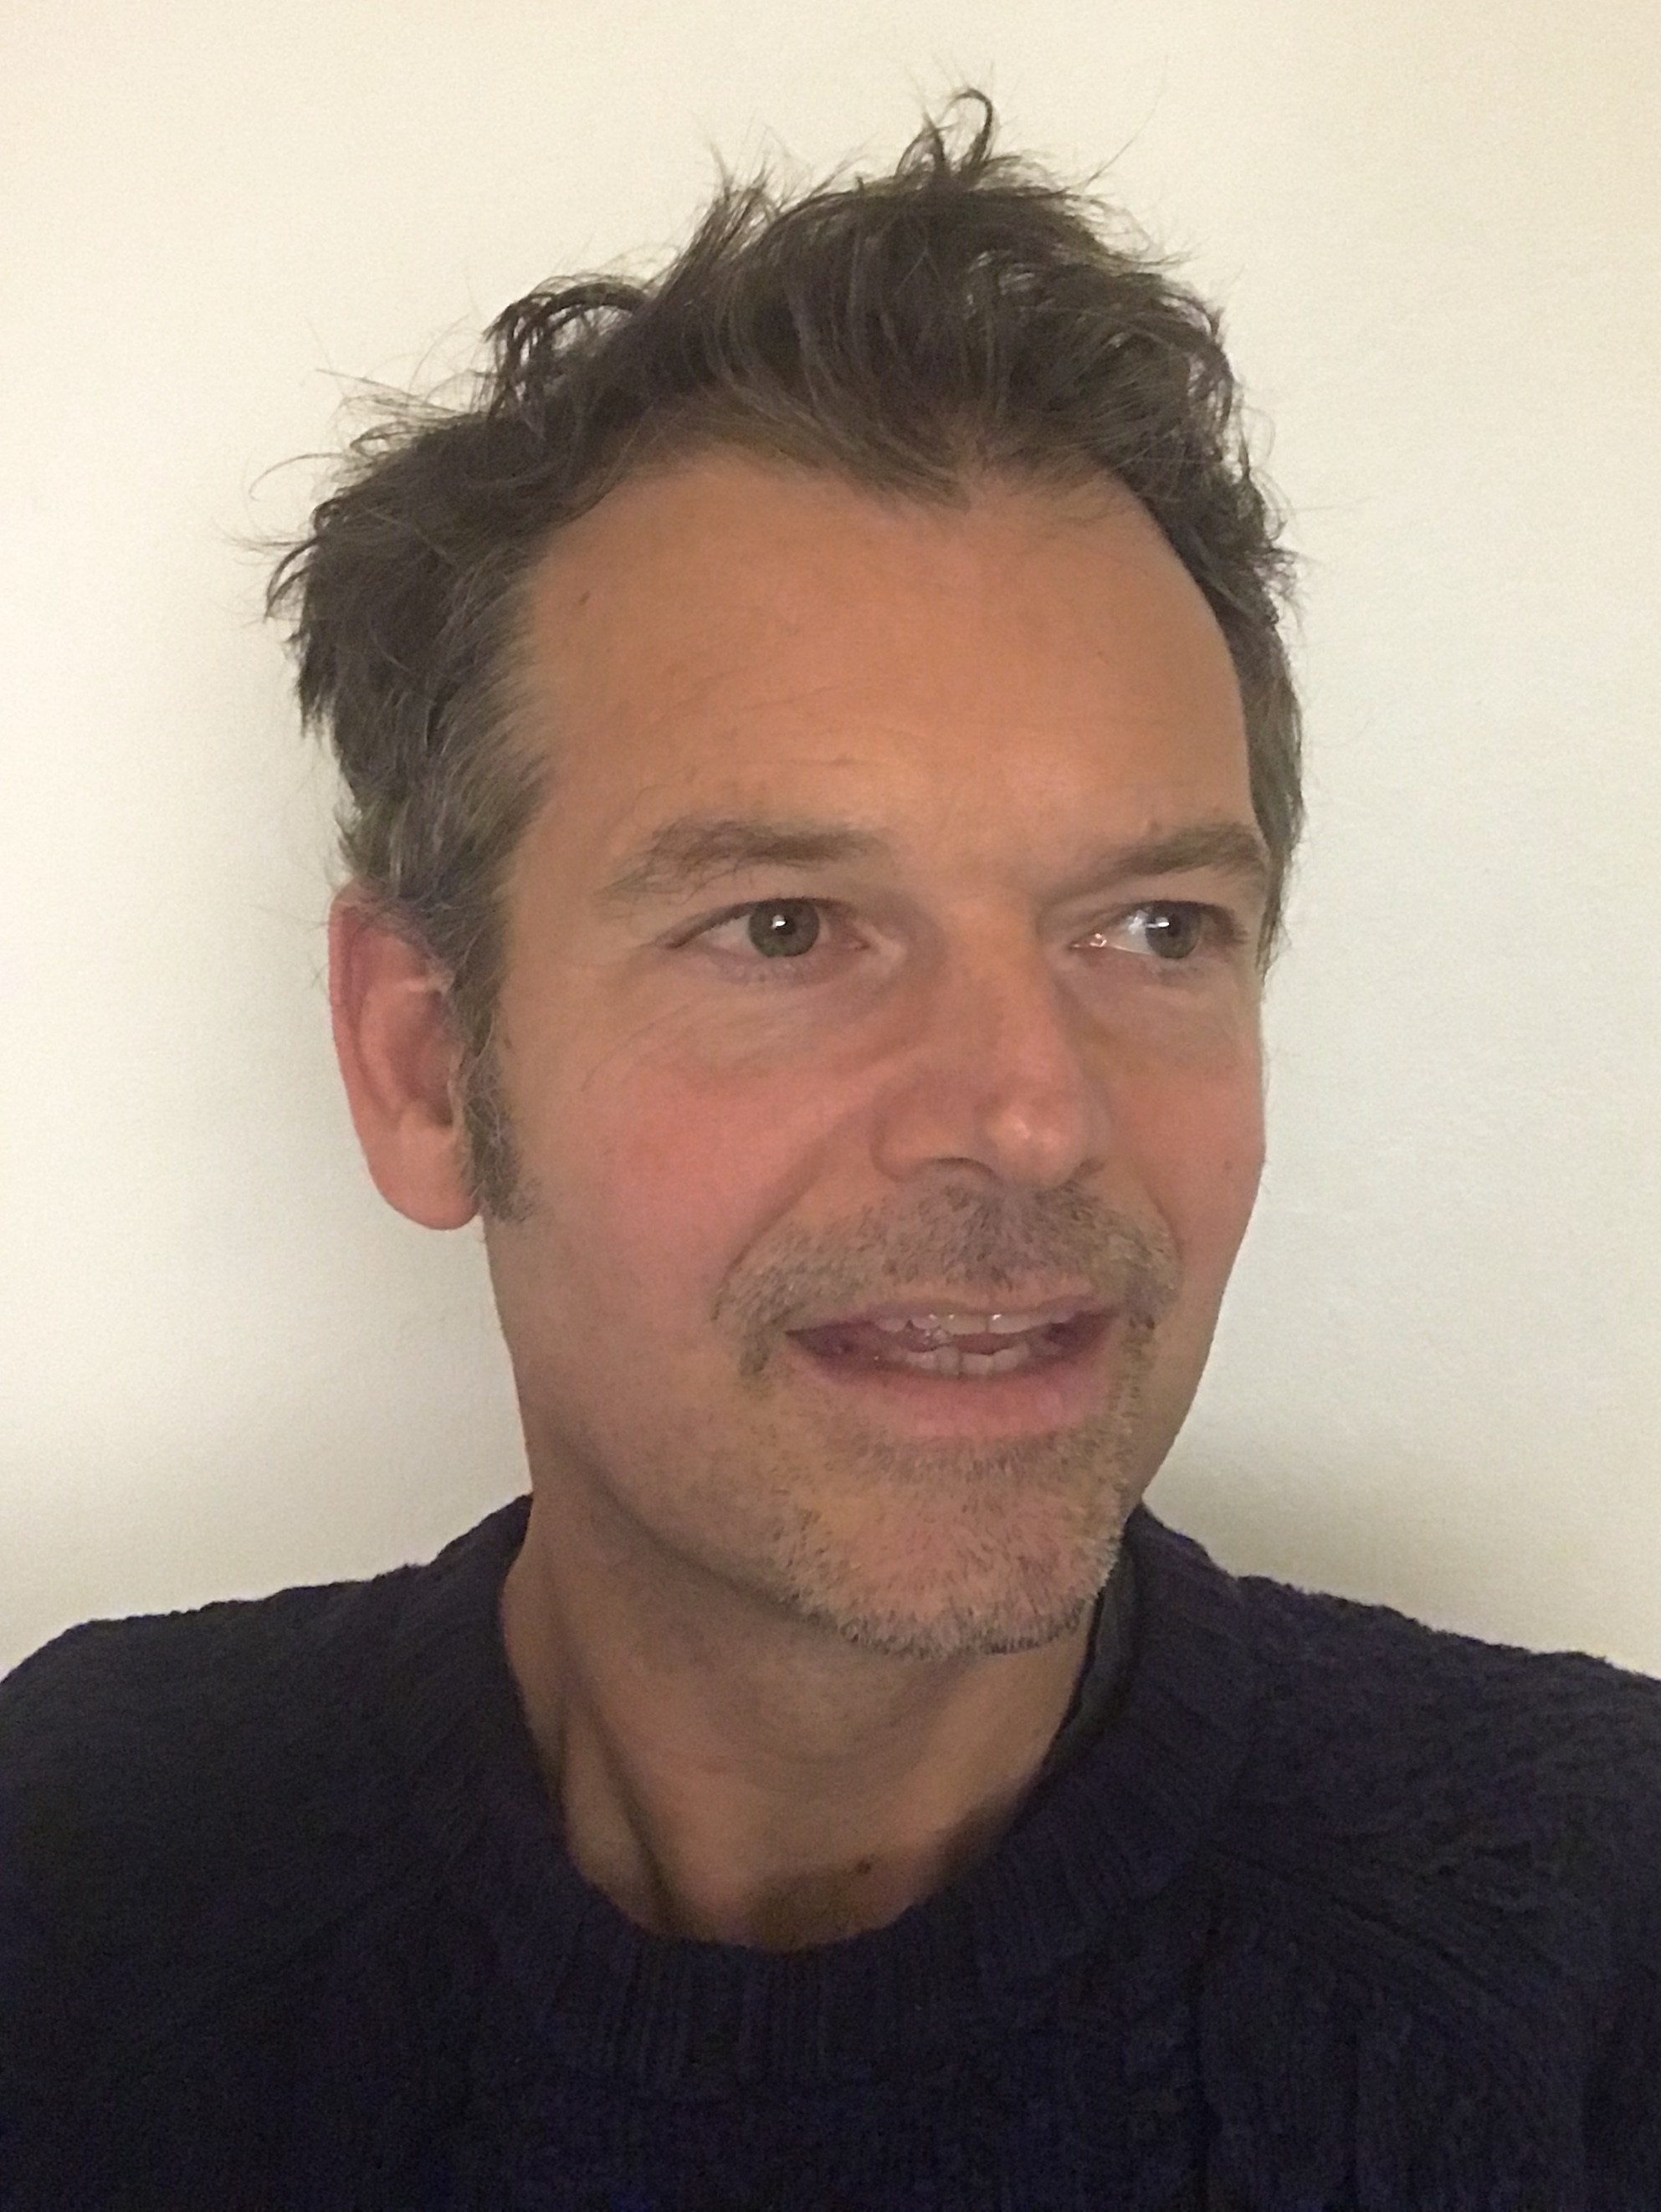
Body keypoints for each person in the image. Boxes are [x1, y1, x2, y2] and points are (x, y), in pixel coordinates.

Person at [2, 95, 1657, 2212]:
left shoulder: (1595, 1947)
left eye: (1157, 927)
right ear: (425, 1061)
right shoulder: (84, 1871)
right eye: (785, 926)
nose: (1035, 1111)